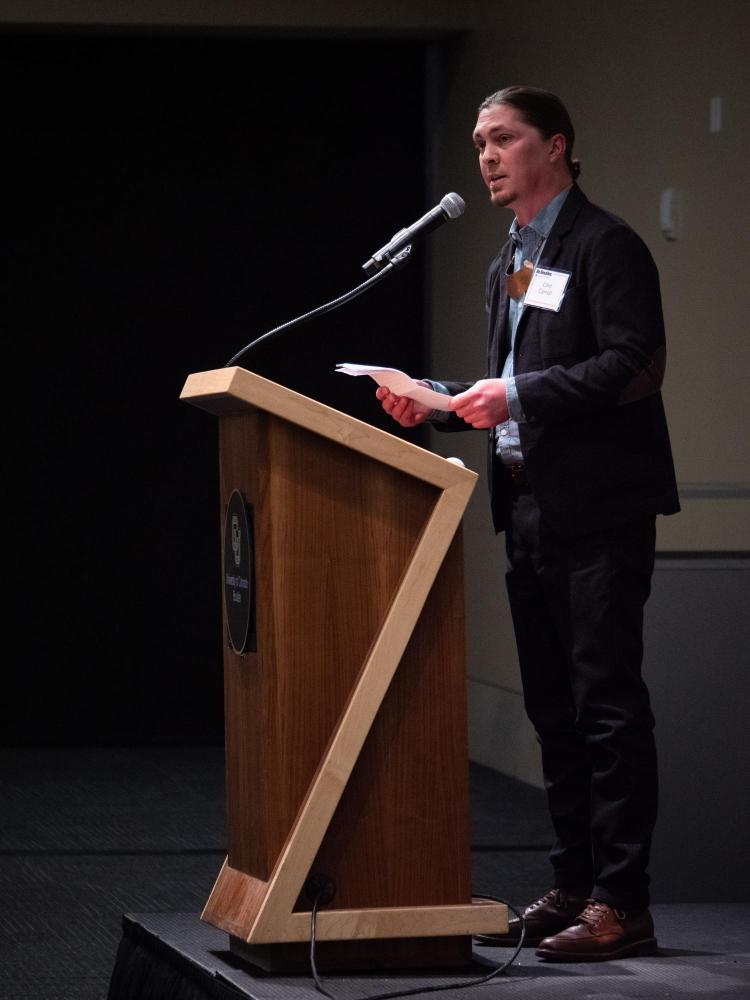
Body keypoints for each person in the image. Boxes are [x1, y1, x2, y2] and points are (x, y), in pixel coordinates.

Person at [377, 85, 680, 962]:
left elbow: (634, 362)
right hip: (529, 504)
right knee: (555, 709)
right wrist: (434, 403)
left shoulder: (605, 244)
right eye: (477, 143)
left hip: (600, 512)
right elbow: (510, 384)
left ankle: (625, 901)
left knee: (606, 708)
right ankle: (576, 883)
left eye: (501, 140)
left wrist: (510, 392)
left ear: (555, 146)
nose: (485, 157)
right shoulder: (509, 257)